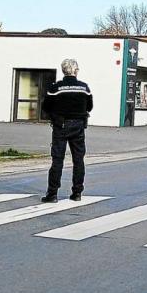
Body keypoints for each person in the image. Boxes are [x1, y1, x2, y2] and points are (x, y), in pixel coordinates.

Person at [40, 59, 93, 203]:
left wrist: (56, 114)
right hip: (79, 126)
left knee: (57, 160)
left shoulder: (55, 88)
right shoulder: (84, 88)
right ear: (76, 71)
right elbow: (89, 106)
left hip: (60, 126)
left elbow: (46, 106)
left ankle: (52, 194)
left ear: (63, 70)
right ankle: (77, 193)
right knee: (78, 160)